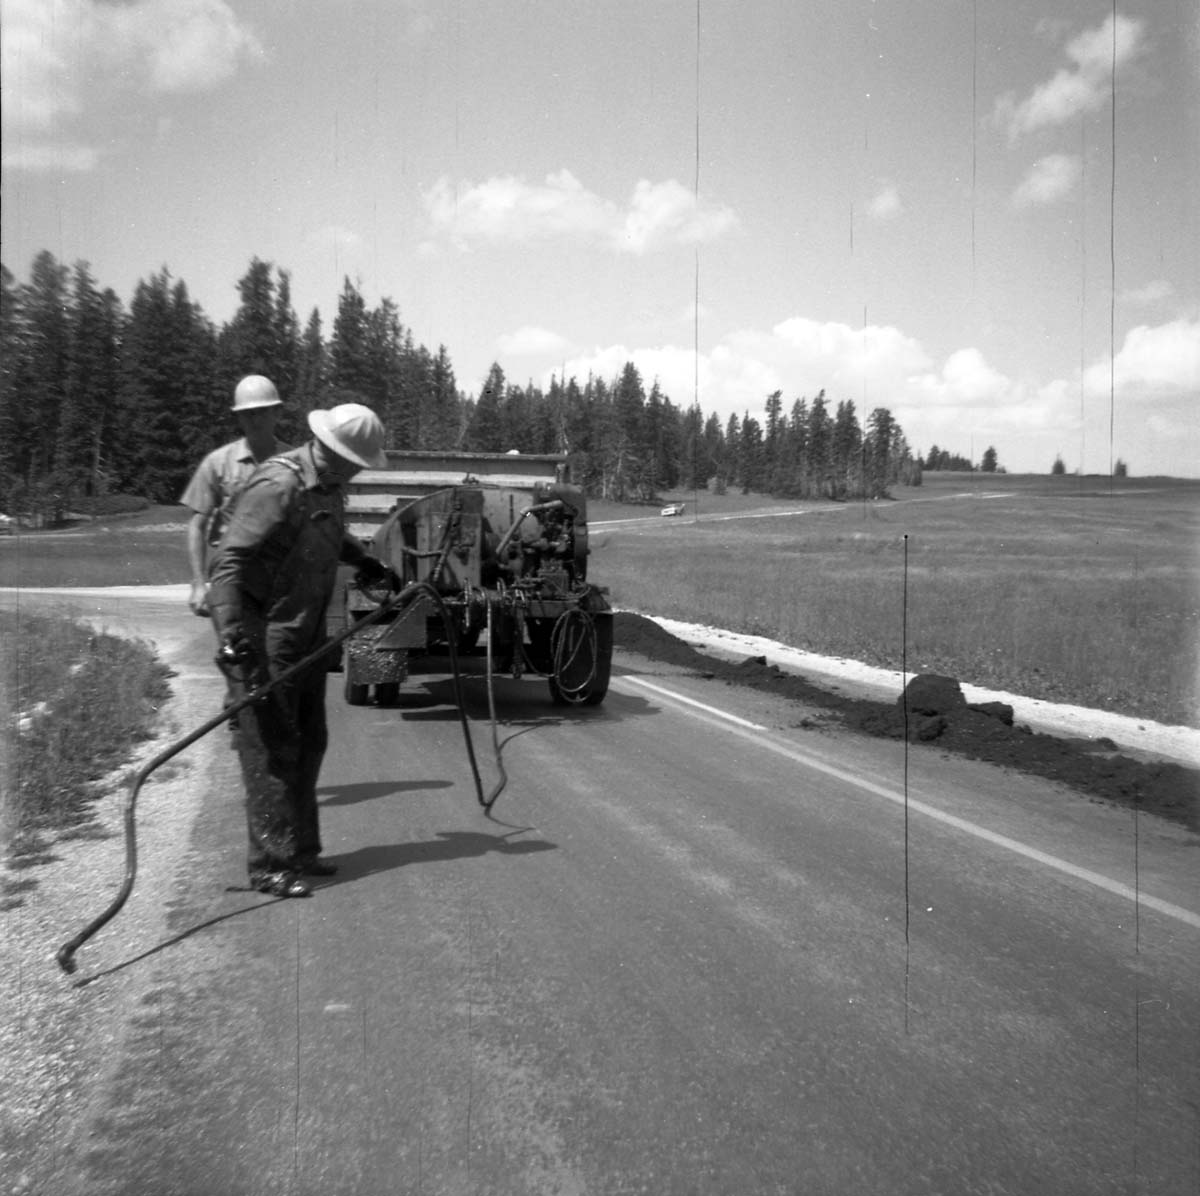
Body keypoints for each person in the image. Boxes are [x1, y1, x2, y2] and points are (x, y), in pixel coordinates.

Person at [206, 403, 397, 898]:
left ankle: (302, 851)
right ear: (332, 450)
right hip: (260, 636)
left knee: (310, 742)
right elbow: (227, 562)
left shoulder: (329, 487)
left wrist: (366, 563)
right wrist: (230, 634)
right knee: (270, 748)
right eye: (357, 461)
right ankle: (269, 864)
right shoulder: (278, 485)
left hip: (305, 634)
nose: (359, 469)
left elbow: (330, 538)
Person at [180, 375, 290, 618]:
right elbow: (197, 525)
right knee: (237, 651)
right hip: (233, 576)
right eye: (247, 413)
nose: (255, 419)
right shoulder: (218, 463)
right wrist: (199, 584)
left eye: (262, 411)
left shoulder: (294, 463)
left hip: (283, 577)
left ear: (277, 413)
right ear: (238, 417)